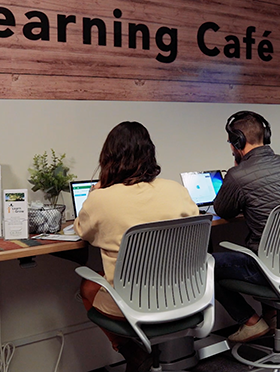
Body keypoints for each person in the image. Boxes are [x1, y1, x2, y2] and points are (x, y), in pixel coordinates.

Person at [76, 121, 199, 372]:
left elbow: (82, 231)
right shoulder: (176, 190)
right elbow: (197, 221)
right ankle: (140, 355)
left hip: (132, 303)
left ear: (108, 157)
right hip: (181, 295)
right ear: (149, 153)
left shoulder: (101, 198)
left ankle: (130, 351)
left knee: (87, 286)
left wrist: (94, 193)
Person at [212, 111, 280, 342]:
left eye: (231, 143)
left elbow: (223, 210)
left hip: (269, 268)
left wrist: (237, 169)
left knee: (205, 264)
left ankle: (251, 321)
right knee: (265, 242)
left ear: (238, 142)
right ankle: (272, 314)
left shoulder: (238, 175)